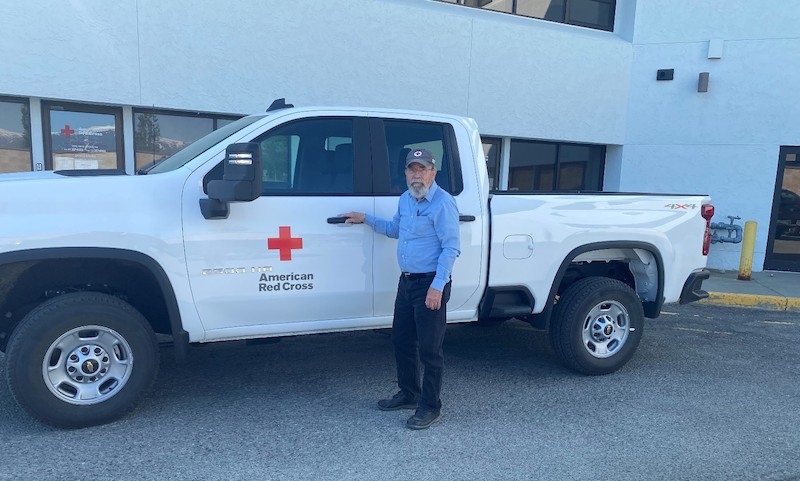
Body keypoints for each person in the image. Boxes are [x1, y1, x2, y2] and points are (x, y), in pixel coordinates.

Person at [342, 148, 460, 430]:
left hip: (430, 284)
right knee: (401, 341)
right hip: (407, 282)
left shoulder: (443, 203)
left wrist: (437, 287)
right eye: (411, 169)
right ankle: (409, 393)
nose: (416, 174)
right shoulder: (406, 200)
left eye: (422, 169)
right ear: (406, 173)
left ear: (433, 172)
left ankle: (431, 406)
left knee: (430, 351)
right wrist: (365, 218)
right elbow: (395, 229)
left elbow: (451, 247)